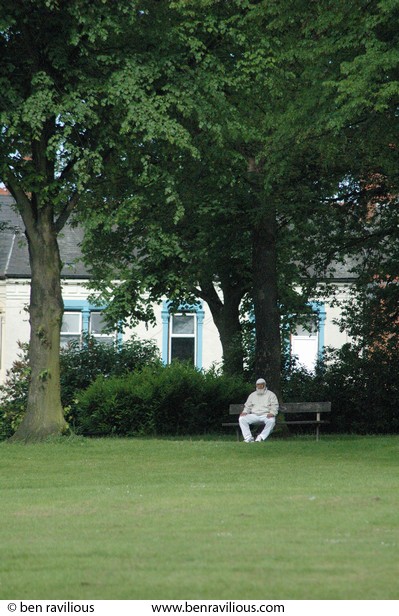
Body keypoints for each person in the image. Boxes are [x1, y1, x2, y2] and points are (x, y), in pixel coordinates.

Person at [239, 378, 279, 443]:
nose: (260, 386)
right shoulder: (252, 395)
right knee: (242, 419)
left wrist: (272, 413)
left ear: (264, 385)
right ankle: (248, 438)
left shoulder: (271, 394)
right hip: (254, 415)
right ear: (256, 386)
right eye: (258, 385)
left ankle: (261, 437)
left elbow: (275, 405)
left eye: (261, 385)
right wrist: (245, 412)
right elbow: (248, 406)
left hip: (266, 415)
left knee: (272, 421)